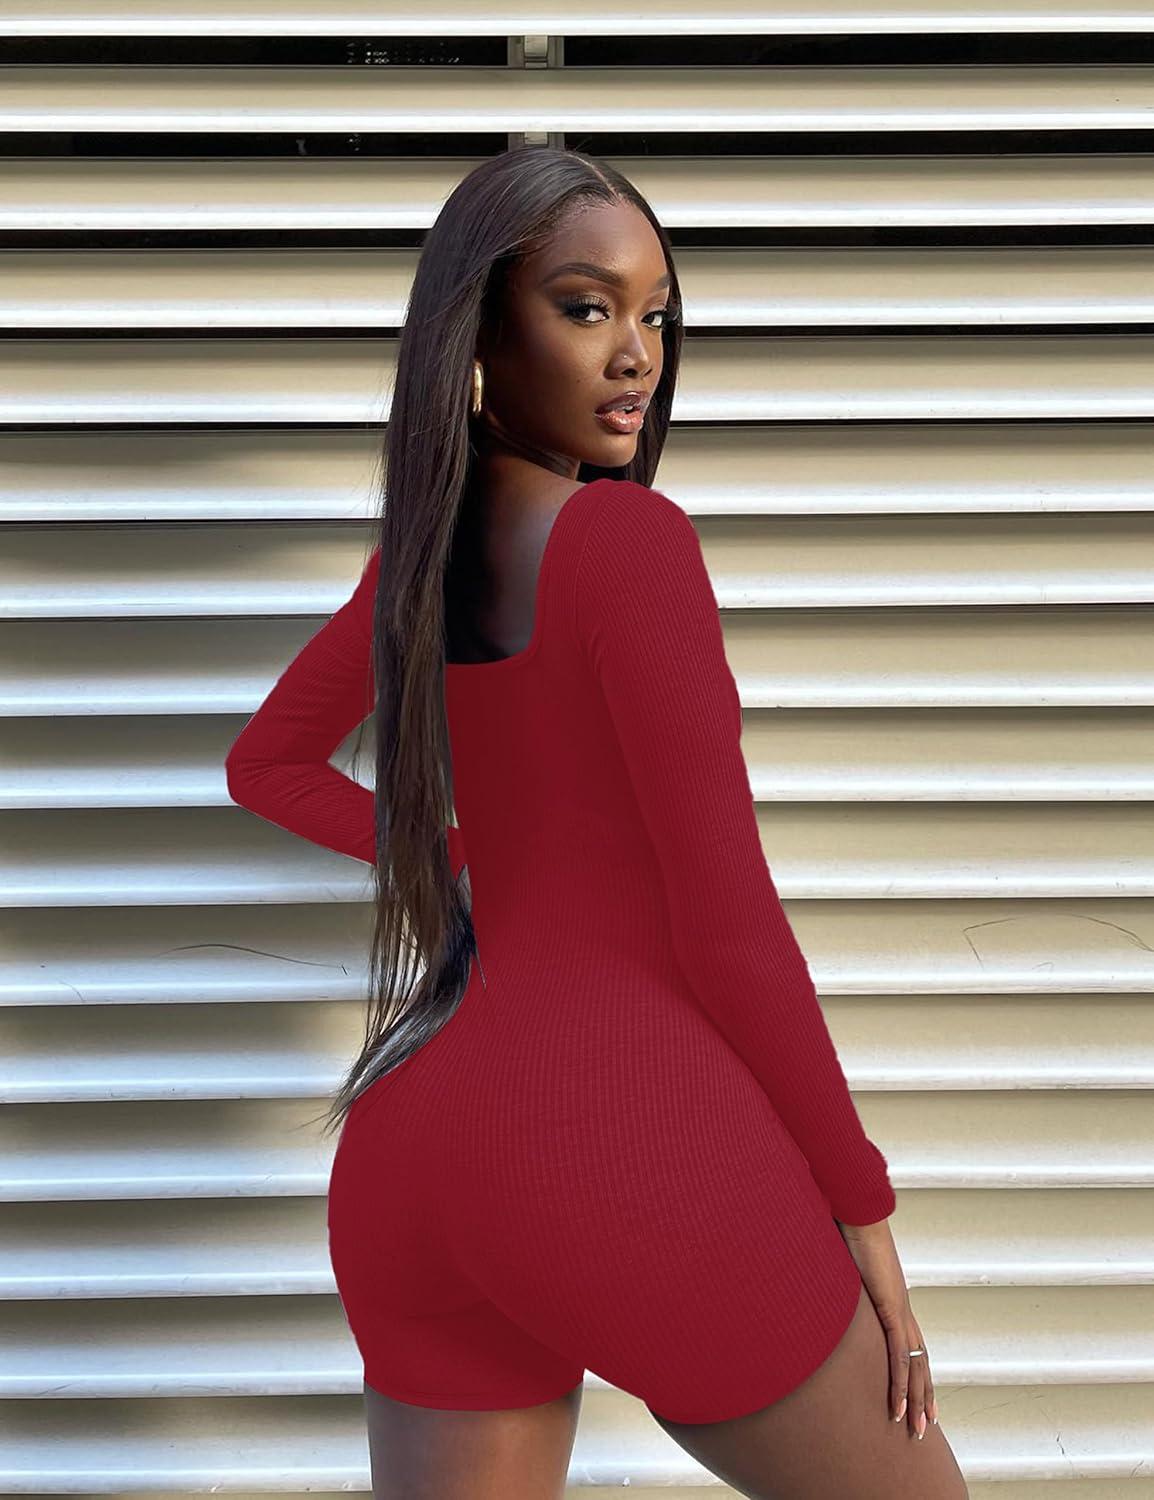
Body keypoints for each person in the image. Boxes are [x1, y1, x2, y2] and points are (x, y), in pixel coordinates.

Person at [224, 145, 969, 1500]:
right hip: (609, 1135)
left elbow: (264, 764)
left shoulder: (421, 559)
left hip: (413, 1150)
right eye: (585, 308)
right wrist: (861, 1208)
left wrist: (467, 858)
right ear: (479, 334)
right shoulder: (628, 545)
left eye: (655, 315)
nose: (636, 355)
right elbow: (726, 924)